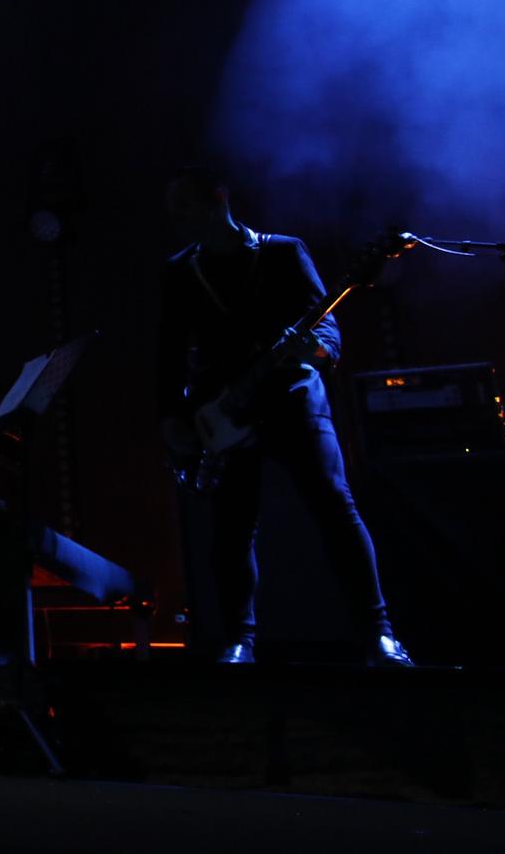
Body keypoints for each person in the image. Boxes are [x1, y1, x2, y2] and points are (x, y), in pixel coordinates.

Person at [156, 166, 410, 667]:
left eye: (190, 205)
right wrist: (172, 417)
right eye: (177, 212)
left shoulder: (284, 251)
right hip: (223, 414)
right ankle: (237, 642)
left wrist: (311, 351)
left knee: (336, 509)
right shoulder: (180, 271)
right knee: (231, 529)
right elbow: (166, 355)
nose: (184, 220)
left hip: (292, 401)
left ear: (220, 197)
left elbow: (329, 334)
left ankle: (380, 635)